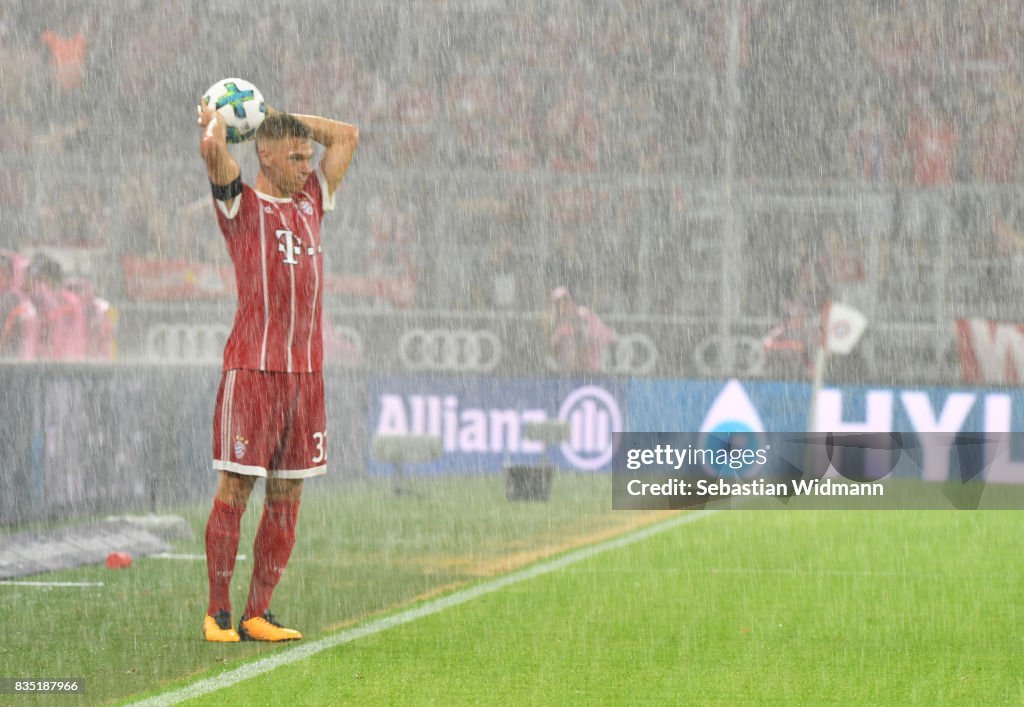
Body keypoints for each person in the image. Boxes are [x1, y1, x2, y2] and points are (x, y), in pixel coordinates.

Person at [196, 95, 358, 642]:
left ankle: (257, 612)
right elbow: (214, 154)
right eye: (295, 158)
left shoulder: (313, 199)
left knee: (288, 496)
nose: (307, 167)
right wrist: (219, 131)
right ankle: (218, 613)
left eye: (308, 159)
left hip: (306, 378)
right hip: (254, 370)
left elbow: (348, 136)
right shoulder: (239, 205)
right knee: (237, 488)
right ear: (263, 155)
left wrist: (286, 119)